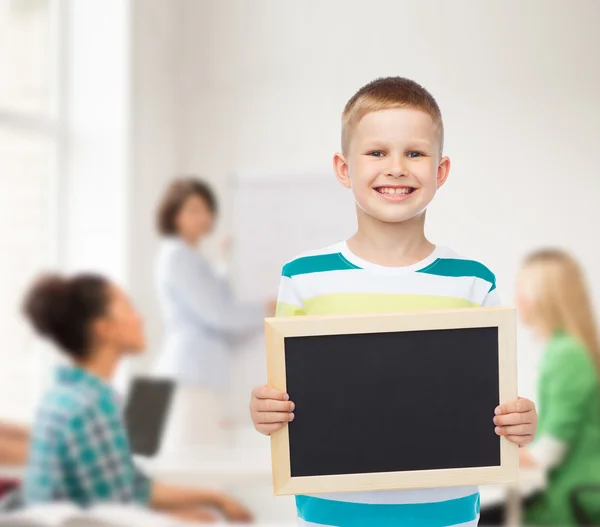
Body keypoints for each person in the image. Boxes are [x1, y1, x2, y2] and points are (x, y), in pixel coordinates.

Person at [249, 76, 538, 527]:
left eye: (415, 153)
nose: (397, 168)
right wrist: (264, 410)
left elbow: (491, 397)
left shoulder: (473, 281)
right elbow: (284, 397)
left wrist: (519, 419)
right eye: (377, 152)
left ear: (440, 172)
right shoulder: (303, 277)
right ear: (344, 169)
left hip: (447, 513)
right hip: (333, 513)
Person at [21, 273, 252, 523]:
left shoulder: (67, 395)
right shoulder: (92, 406)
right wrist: (188, 518)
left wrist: (214, 498)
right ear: (104, 328)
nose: (139, 318)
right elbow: (115, 514)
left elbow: (133, 488)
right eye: (128, 308)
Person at [153, 178, 275, 448]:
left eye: (207, 209)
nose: (204, 217)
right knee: (192, 462)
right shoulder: (176, 256)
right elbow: (218, 313)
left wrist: (226, 261)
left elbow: (216, 300)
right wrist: (267, 309)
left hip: (201, 376)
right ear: (174, 214)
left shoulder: (192, 257)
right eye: (194, 210)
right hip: (189, 377)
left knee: (202, 458)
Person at [514, 249, 600, 525]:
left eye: (522, 290)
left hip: (574, 501)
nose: (517, 299)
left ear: (544, 298)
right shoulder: (566, 349)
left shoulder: (566, 355)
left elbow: (549, 451)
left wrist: (492, 460)